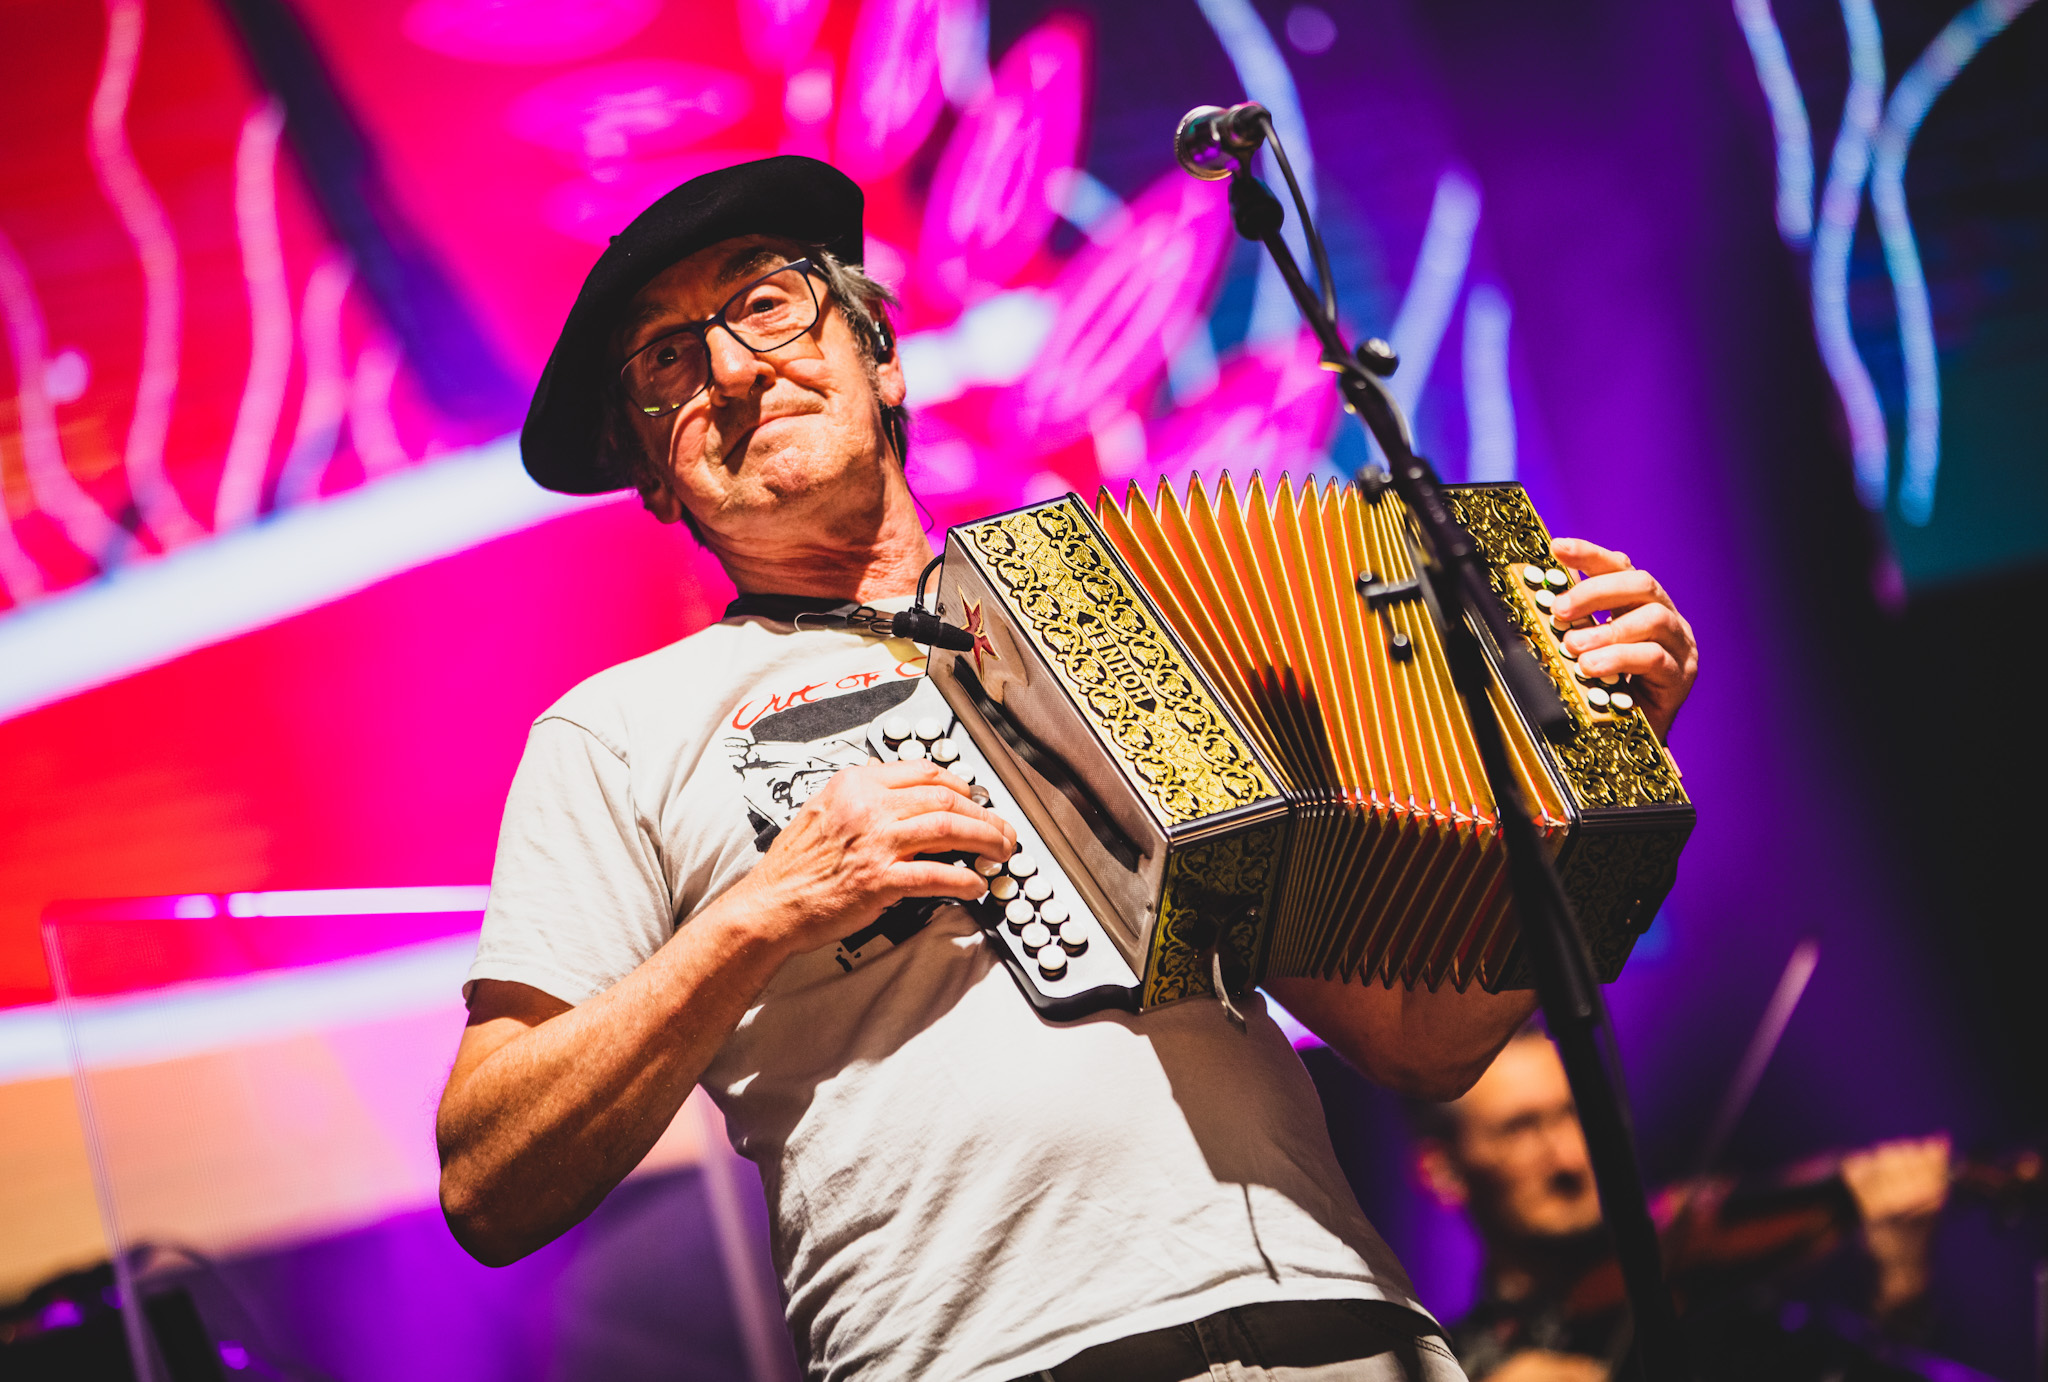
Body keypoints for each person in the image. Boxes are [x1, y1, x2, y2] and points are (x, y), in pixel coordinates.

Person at [433, 156, 1703, 1382]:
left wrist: (1600, 759)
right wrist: (763, 910)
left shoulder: (1115, 622)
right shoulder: (618, 730)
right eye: (664, 361)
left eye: (766, 304)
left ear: (880, 359)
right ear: (654, 476)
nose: (729, 367)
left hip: (1339, 1319)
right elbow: (489, 1182)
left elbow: (1417, 1043)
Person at [1411, 1025, 1952, 1381]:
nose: (1571, 1158)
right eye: (1521, 1129)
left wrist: (1901, 1287)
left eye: (1573, 1114)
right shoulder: (1448, 1362)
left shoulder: (1708, 1300)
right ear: (1443, 1171)